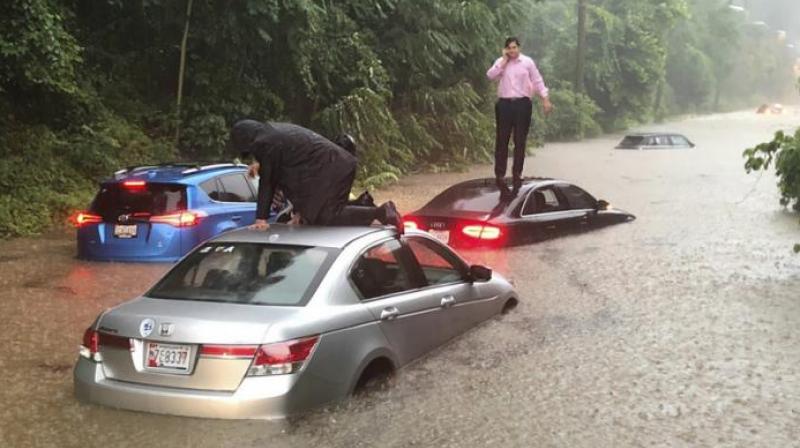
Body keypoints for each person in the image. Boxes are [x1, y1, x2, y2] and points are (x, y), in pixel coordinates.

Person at [229, 120, 401, 231]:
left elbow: (268, 182)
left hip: (331, 167)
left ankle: (381, 212)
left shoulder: (265, 142)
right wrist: (300, 211)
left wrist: (261, 219)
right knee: (320, 216)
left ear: (246, 140)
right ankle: (377, 212)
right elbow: (289, 178)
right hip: (331, 166)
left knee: (326, 216)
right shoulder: (272, 135)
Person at [487, 37, 553, 195]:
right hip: (504, 104)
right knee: (502, 139)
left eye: (514, 47)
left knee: (520, 140)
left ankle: (517, 172)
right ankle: (500, 174)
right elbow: (490, 75)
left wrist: (545, 99)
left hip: (522, 104)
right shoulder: (501, 62)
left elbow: (537, 80)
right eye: (509, 48)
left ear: (519, 48)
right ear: (505, 49)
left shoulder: (527, 62)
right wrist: (503, 60)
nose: (512, 51)